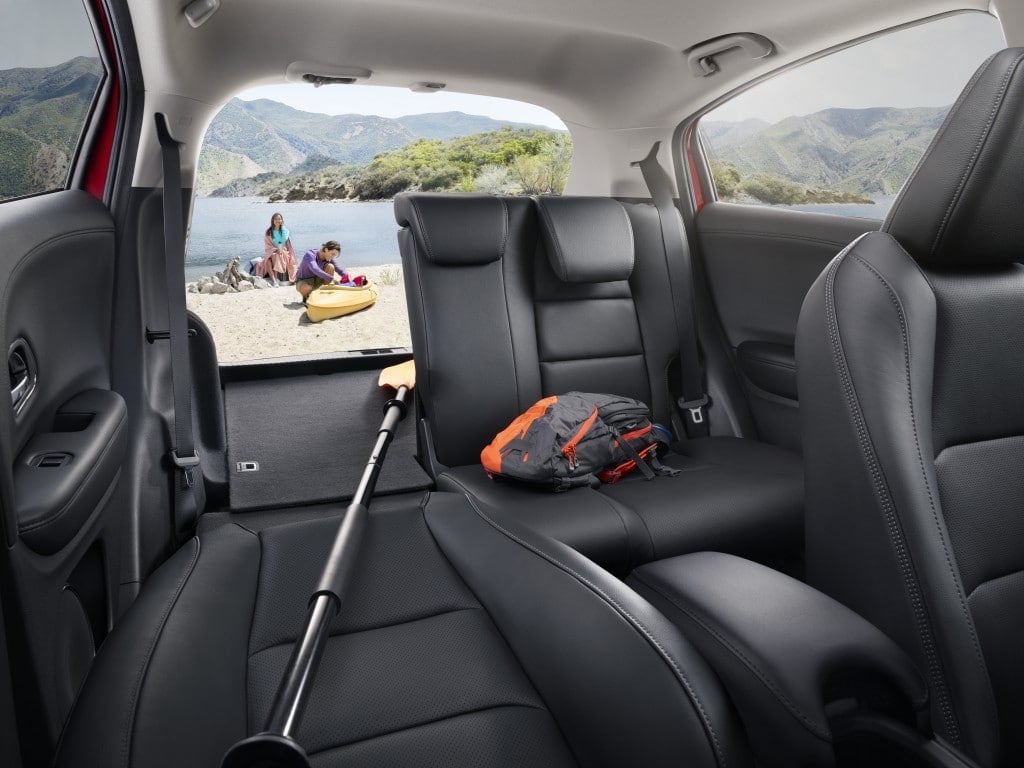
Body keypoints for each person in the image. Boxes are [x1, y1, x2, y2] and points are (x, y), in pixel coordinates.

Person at [295, 240, 345, 304]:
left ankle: (325, 291)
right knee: (307, 288)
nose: (333, 257)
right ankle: (306, 298)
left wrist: (346, 276)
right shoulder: (310, 254)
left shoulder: (329, 258)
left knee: (331, 266)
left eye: (334, 255)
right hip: (303, 281)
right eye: (332, 254)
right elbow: (315, 269)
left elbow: (338, 269)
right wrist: (331, 278)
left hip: (317, 280)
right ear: (326, 249)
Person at [258, 212, 298, 286]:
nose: (277, 220)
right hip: (271, 250)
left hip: (283, 250)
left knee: (276, 255)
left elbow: (283, 240)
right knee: (268, 260)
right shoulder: (268, 232)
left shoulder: (285, 230)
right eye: (276, 219)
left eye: (279, 219)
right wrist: (274, 249)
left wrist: (282, 227)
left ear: (282, 220)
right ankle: (274, 281)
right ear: (273, 220)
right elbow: (267, 245)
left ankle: (276, 278)